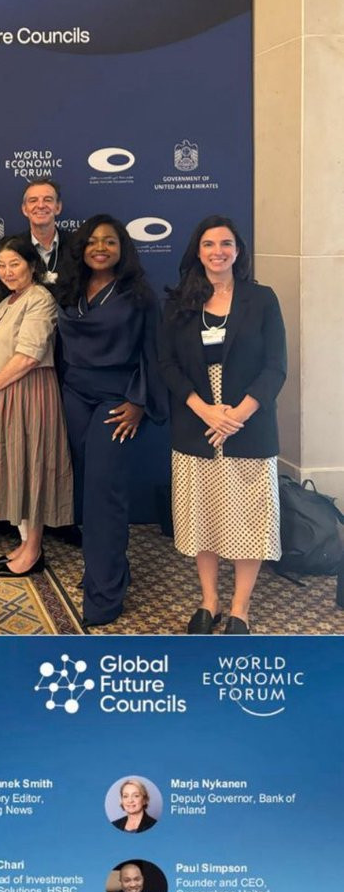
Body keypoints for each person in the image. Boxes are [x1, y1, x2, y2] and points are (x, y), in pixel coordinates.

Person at [159, 215, 287, 634]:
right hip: (197, 423)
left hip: (248, 423)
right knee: (204, 516)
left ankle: (239, 608)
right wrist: (206, 411)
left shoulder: (262, 299)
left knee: (249, 518)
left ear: (238, 251)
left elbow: (276, 367)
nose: (218, 252)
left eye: (226, 244)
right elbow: (167, 365)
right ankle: (209, 600)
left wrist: (237, 415)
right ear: (197, 252)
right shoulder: (179, 302)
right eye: (209, 244)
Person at [56, 215, 165, 626]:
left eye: (109, 241)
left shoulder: (138, 295)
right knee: (91, 492)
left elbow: (153, 353)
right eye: (92, 241)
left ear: (123, 249)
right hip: (75, 397)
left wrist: (138, 402)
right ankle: (110, 569)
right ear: (81, 248)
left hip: (117, 402)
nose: (100, 248)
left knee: (105, 497)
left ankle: (104, 596)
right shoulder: (70, 290)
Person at [0, 236, 72, 576]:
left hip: (29, 392)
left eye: (14, 264)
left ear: (31, 265)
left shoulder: (39, 298)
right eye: (1, 265)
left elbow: (29, 355)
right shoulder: (6, 302)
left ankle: (34, 550)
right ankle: (25, 541)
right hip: (4, 392)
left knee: (31, 466)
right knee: (12, 466)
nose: (7, 271)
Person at [20, 177, 71, 286]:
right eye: (33, 200)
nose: (41, 205)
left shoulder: (76, 245)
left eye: (48, 200)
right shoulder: (15, 248)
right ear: (24, 209)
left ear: (58, 207)